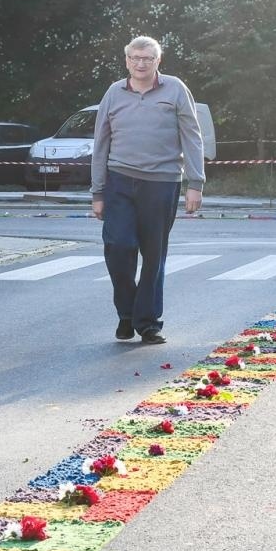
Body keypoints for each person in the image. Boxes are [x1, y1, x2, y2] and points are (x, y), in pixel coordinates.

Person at [90, 35, 214, 344]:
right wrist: (97, 192)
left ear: (158, 61)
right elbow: (100, 143)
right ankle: (126, 314)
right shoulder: (114, 93)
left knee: (153, 255)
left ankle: (147, 324)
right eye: (135, 58)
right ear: (127, 60)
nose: (141, 63)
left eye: (147, 58)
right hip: (119, 181)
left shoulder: (175, 89)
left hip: (162, 182)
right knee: (118, 246)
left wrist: (195, 184)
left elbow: (192, 136)